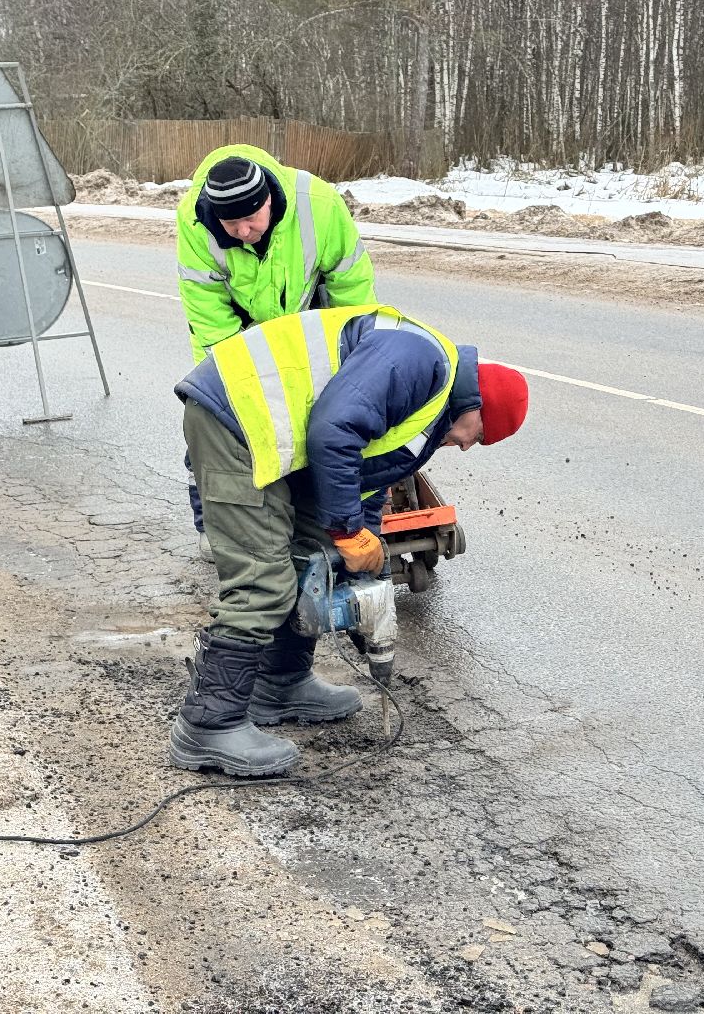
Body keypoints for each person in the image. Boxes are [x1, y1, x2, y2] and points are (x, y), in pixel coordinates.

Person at [169, 302, 529, 776]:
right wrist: (347, 529)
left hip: (271, 431)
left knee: (315, 559)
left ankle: (281, 681)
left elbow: (366, 480)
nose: (465, 447)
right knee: (262, 580)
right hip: (234, 418)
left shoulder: (430, 415)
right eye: (477, 437)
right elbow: (334, 430)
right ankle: (208, 725)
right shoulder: (420, 361)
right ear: (477, 406)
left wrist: (367, 563)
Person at [177, 145, 376, 560]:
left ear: (269, 199)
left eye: (251, 219)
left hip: (309, 319)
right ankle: (213, 524)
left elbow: (352, 291)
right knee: (220, 421)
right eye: (231, 224)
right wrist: (237, 392)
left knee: (323, 417)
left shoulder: (319, 205)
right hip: (240, 326)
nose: (244, 232)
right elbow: (209, 316)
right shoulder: (195, 223)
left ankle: (309, 509)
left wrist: (356, 363)